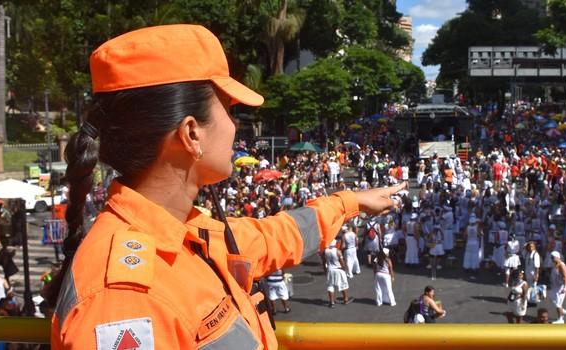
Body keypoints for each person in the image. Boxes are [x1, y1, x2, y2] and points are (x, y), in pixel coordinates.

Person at [45, 25, 401, 350]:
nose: (236, 126)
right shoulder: (124, 296)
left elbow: (275, 236)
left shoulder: (190, 233)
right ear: (191, 134)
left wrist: (350, 202)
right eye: (229, 110)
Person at [324, 239, 352, 308]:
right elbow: (342, 261)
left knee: (330, 286)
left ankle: (332, 302)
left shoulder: (325, 251)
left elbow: (323, 261)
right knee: (343, 284)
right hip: (338, 269)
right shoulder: (338, 251)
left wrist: (325, 270)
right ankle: (345, 299)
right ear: (335, 244)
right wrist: (344, 268)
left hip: (330, 269)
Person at [549, 251, 566, 323]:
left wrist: (565, 287)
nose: (552, 259)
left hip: (560, 287)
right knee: (551, 297)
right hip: (555, 286)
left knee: (558, 304)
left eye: (553, 257)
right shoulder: (555, 264)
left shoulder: (561, 265)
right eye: (551, 257)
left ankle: (561, 319)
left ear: (558, 257)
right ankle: (562, 309)